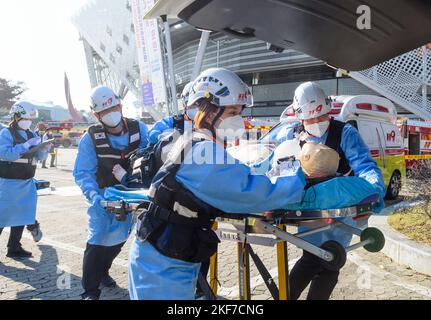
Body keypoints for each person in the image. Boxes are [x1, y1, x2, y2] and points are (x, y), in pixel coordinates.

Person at [128, 68, 307, 300]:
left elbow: (233, 180)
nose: (238, 118)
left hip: (163, 255)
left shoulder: (198, 143)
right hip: (161, 265)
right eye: (232, 111)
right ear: (208, 110)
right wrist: (298, 178)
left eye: (239, 111)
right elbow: (251, 192)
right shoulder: (203, 151)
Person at [281, 81, 386, 300]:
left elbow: (365, 166)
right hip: (311, 206)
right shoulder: (295, 136)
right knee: (311, 256)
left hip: (340, 205)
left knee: (330, 260)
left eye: (322, 117)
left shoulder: (345, 133)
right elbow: (278, 163)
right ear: (300, 117)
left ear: (329, 111)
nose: (318, 123)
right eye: (311, 119)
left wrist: (373, 191)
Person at [73, 86, 149, 300]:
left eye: (114, 107)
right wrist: (94, 196)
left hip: (131, 194)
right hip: (103, 195)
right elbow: (83, 172)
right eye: (104, 112)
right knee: (98, 240)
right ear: (96, 115)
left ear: (121, 105)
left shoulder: (139, 129)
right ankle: (90, 291)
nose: (111, 114)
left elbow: (150, 157)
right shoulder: (91, 138)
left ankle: (104, 270)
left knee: (119, 238)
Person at [0, 101, 48, 258]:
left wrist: (44, 148)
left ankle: (14, 247)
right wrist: (25, 146)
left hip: (27, 181)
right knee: (2, 216)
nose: (28, 122)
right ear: (16, 116)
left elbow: (39, 158)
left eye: (30, 119)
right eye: (25, 118)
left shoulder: (32, 134)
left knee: (22, 214)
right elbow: (7, 154)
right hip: (8, 182)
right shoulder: (6, 134)